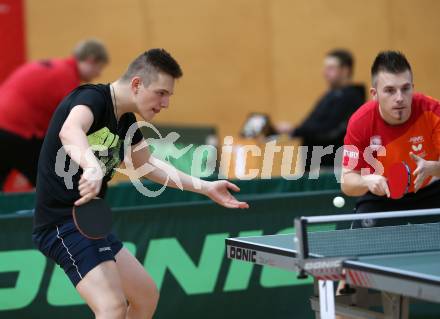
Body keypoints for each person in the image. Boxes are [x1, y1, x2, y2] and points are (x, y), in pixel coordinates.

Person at [32, 48, 249, 319]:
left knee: (145, 296)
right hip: (61, 222)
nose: (166, 102)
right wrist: (91, 166)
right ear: (136, 84)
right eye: (161, 93)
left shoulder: (126, 122)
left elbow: (147, 165)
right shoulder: (92, 99)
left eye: (169, 95)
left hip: (90, 223)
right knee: (111, 308)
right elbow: (70, 129)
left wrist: (205, 187)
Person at [341, 50, 440, 227]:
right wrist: (366, 181)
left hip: (430, 192)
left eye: (405, 88)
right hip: (381, 197)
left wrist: (434, 168)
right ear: (374, 93)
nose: (399, 98)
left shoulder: (433, 112)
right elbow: (347, 182)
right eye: (389, 91)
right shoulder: (360, 122)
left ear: (412, 88)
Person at [0, 39, 109, 190]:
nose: (98, 74)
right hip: (16, 130)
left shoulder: (57, 68)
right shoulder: (67, 78)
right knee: (52, 177)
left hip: (7, 127)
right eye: (99, 67)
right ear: (91, 60)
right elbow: (67, 127)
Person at [277, 49, 365, 171]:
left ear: (345, 70)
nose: (325, 73)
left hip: (331, 167)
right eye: (325, 68)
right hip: (315, 165)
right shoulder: (330, 95)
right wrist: (295, 130)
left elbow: (330, 130)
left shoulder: (351, 98)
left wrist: (294, 130)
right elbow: (310, 123)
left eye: (331, 68)